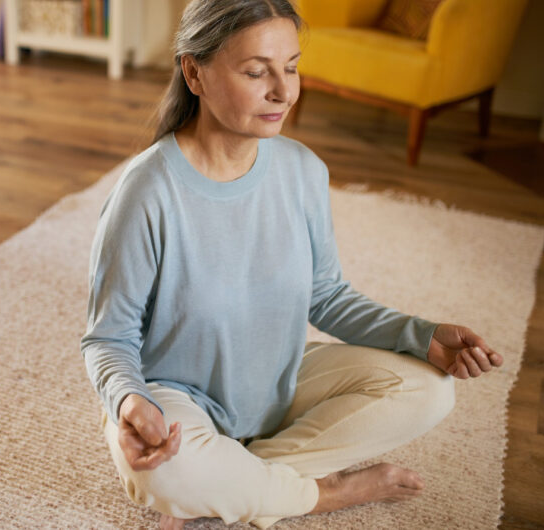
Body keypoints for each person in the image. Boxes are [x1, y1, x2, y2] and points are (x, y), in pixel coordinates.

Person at [79, 1, 505, 529]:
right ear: (194, 72)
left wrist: (421, 335)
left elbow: (326, 295)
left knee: (431, 389)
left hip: (277, 379)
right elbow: (108, 339)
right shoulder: (145, 192)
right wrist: (126, 404)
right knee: (166, 475)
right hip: (175, 397)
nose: (283, 91)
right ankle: (322, 493)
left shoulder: (303, 170)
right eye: (257, 72)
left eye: (292, 67)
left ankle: (234, 484)